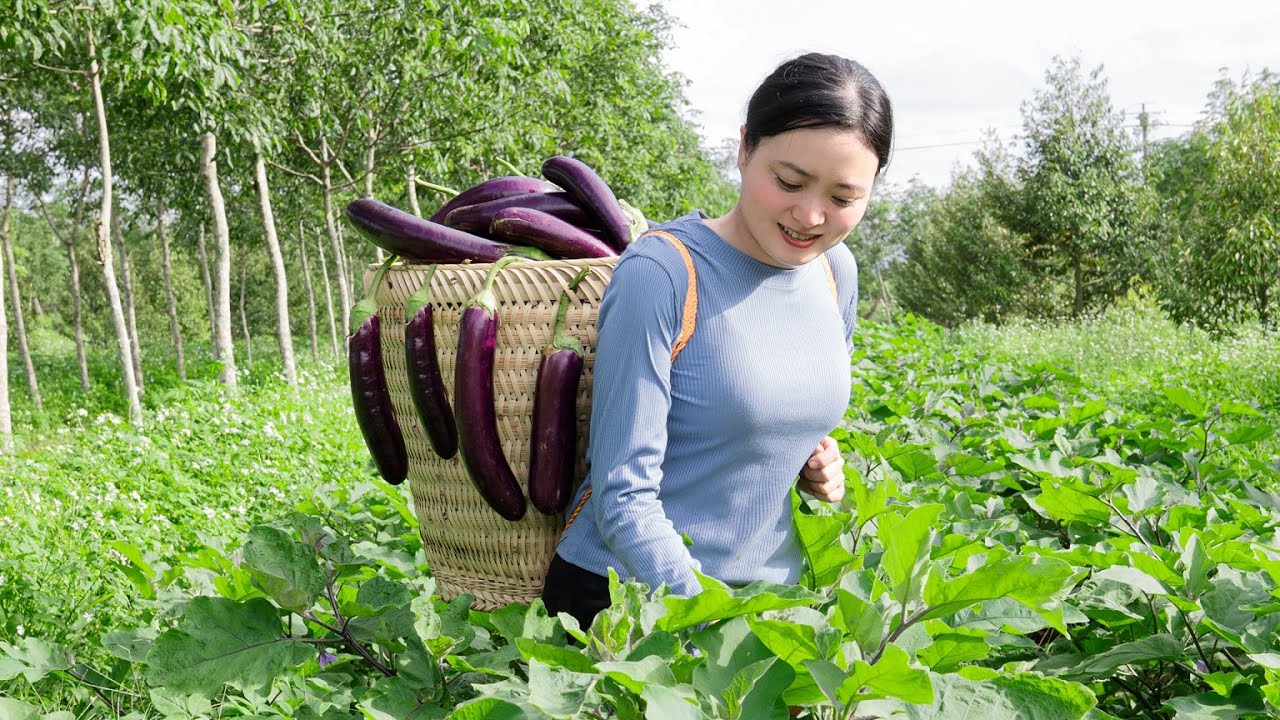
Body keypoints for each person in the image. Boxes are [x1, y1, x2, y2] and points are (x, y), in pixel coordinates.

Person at [542, 52, 894, 630]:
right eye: (789, 181)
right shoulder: (664, 273)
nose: (810, 216)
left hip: (769, 601)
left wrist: (816, 460)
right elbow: (623, 498)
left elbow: (777, 408)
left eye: (843, 198)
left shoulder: (837, 272)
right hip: (630, 603)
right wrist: (718, 622)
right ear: (743, 149)